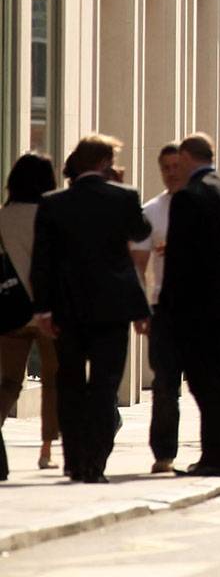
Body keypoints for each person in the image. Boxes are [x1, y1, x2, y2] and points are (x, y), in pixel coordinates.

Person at [29, 135, 151, 482]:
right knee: (104, 385)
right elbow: (141, 232)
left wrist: (44, 309)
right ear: (104, 163)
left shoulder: (53, 204)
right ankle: (94, 463)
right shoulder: (123, 198)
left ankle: (73, 460)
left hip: (67, 309)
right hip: (112, 310)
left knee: (69, 383)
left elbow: (42, 262)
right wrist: (124, 190)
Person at [156, 133, 220, 476]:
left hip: (197, 307)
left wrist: (166, 307)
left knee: (204, 382)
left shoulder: (189, 197)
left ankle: (216, 457)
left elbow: (180, 260)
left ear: (186, 157)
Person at [1, 153, 61, 479]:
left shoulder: (2, 217)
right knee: (53, 381)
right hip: (47, 310)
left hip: (10, 309)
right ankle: (46, 451)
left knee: (8, 382)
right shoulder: (50, 215)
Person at [130, 142, 187, 474]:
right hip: (163, 307)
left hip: (202, 308)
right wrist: (141, 308)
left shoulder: (205, 204)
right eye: (165, 166)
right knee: (165, 384)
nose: (171, 172)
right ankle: (164, 453)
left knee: (207, 383)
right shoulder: (152, 211)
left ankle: (214, 449)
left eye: (176, 165)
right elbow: (138, 264)